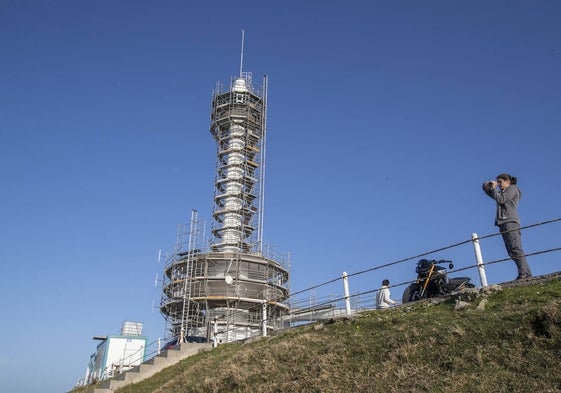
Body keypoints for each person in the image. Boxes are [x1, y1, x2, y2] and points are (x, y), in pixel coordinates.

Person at [482, 173, 532, 280]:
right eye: (498, 182)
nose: (499, 184)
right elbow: (493, 195)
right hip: (503, 223)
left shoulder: (512, 189)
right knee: (512, 251)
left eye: (500, 182)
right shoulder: (502, 192)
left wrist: (494, 188)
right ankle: (527, 273)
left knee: (515, 248)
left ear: (507, 181)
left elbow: (501, 199)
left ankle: (524, 273)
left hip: (510, 222)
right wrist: (486, 186)